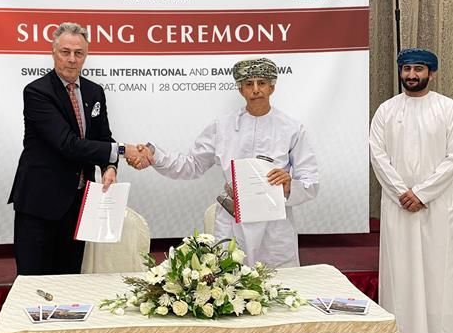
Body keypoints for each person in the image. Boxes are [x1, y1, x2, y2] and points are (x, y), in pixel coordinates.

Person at [131, 57, 319, 268]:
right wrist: (154, 155)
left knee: (279, 287)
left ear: (272, 87)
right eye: (249, 84)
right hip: (232, 219)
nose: (256, 90)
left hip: (275, 224)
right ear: (241, 90)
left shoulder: (292, 129)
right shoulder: (222, 127)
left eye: (262, 83)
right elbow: (191, 165)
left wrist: (289, 184)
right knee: (230, 286)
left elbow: (311, 182)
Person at [8, 22, 141, 275]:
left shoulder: (94, 91)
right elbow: (67, 144)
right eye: (65, 52)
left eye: (78, 53)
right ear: (53, 53)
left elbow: (104, 137)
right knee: (35, 282)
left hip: (79, 204)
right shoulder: (37, 92)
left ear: (86, 55)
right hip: (39, 205)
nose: (71, 59)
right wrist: (123, 150)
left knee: (71, 280)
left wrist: (109, 167)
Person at [369, 48, 453, 333]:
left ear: (431, 73)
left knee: (442, 270)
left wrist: (422, 193)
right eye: (407, 69)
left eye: (419, 69)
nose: (412, 75)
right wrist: (403, 192)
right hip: (398, 204)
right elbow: (378, 155)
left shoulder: (448, 108)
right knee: (401, 270)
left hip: (437, 203)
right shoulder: (386, 110)